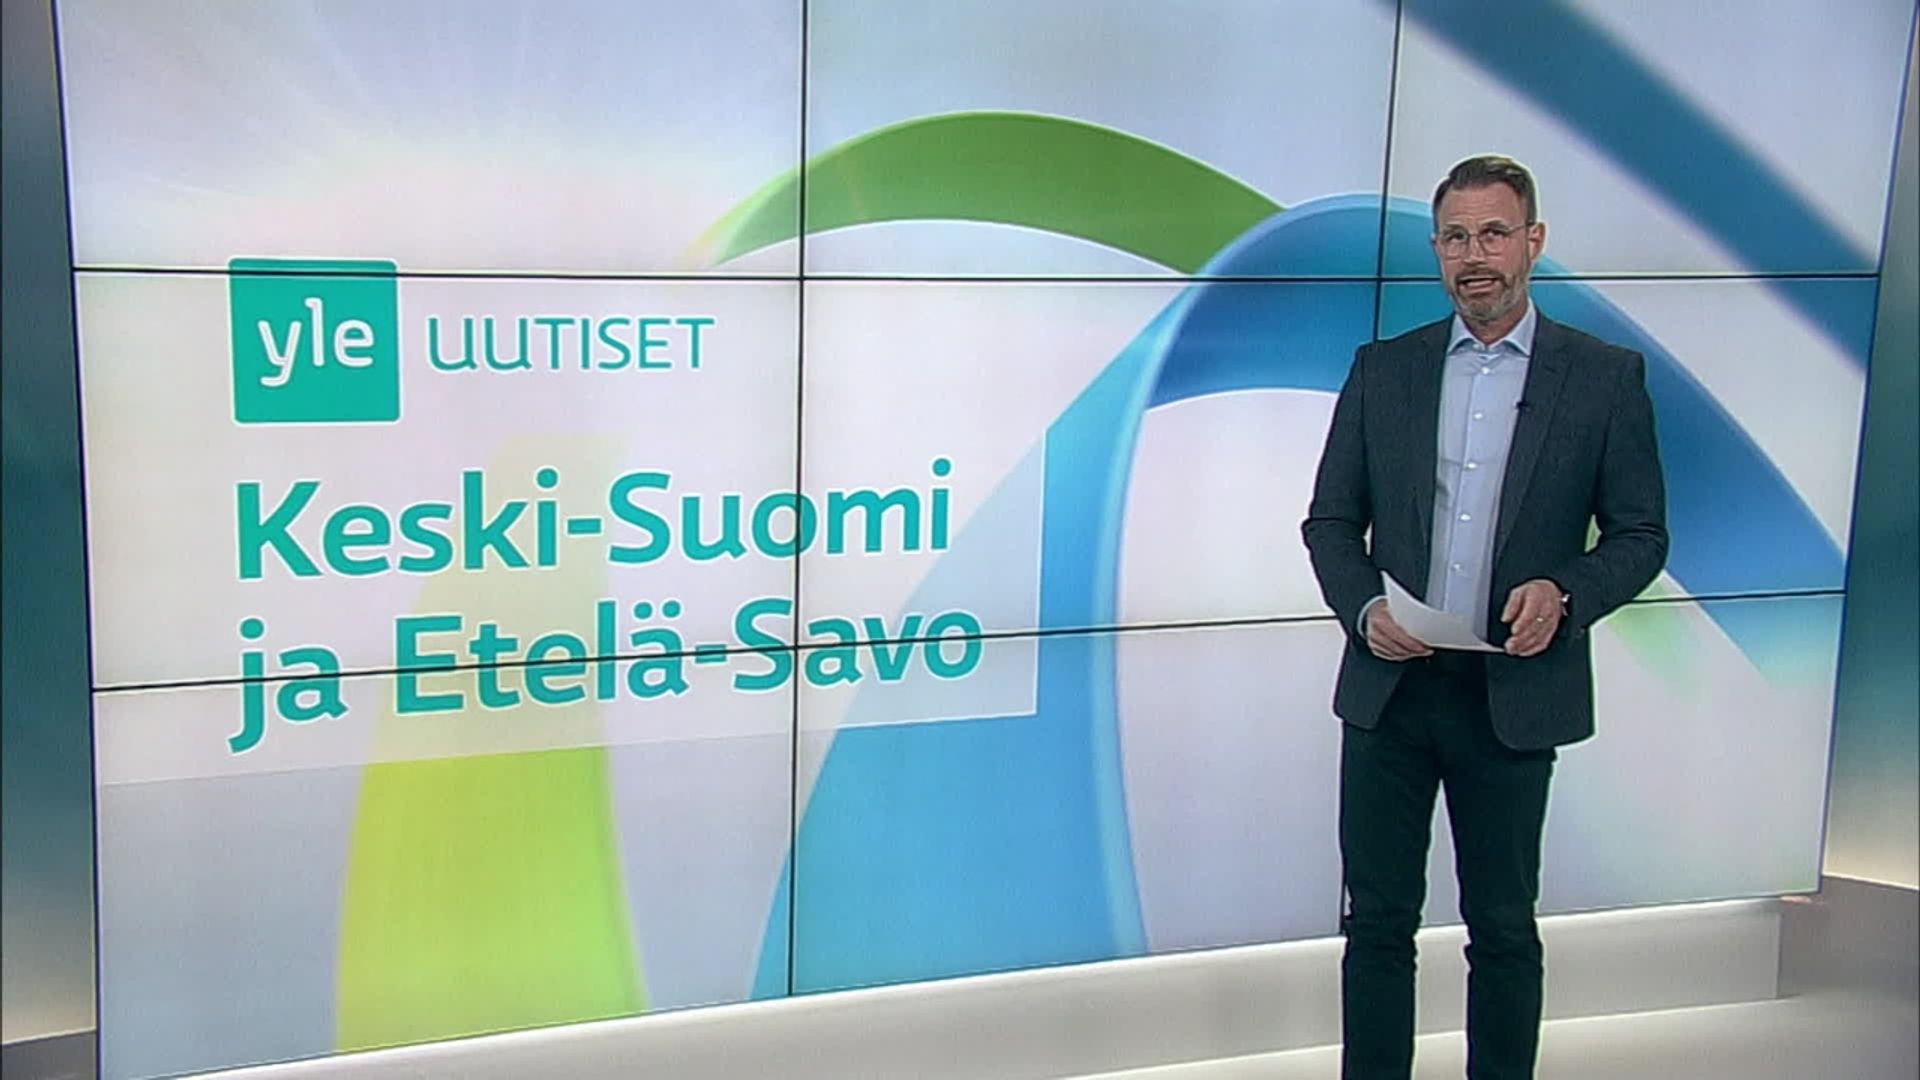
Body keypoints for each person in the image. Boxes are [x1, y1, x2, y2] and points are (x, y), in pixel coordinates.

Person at [1300, 155, 1669, 1079]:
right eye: (1457, 238)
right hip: (1391, 692)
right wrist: (1363, 605)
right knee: (1376, 924)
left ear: (1533, 242)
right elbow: (1331, 522)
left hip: (1512, 695)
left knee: (1502, 926)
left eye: (1494, 234)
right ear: (1437, 250)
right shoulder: (1384, 370)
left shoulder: (1603, 378)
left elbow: (1641, 534)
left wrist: (1568, 595)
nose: (1475, 257)